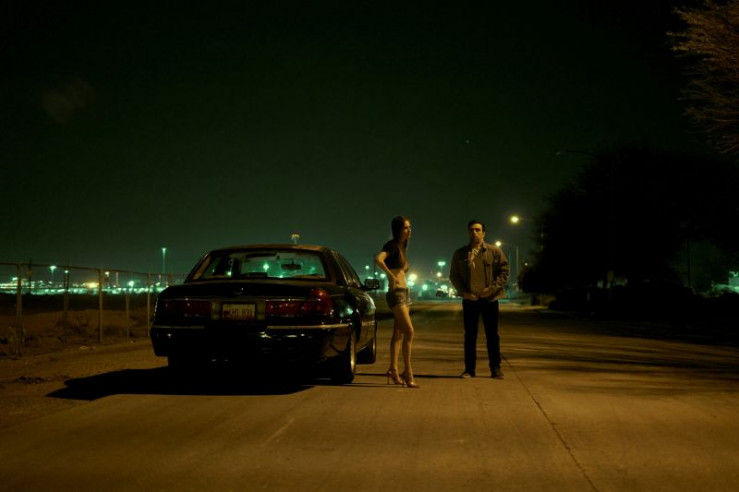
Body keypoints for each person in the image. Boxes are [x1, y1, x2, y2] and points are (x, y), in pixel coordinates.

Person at [449, 220, 509, 379]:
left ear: (483, 233)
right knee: (470, 335)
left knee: (492, 335)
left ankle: (495, 368)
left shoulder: (494, 251)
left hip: (490, 299)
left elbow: (504, 272)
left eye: (477, 230)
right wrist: (464, 293)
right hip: (470, 299)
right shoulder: (460, 253)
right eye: (471, 230)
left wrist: (492, 289)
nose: (474, 233)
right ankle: (469, 370)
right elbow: (454, 276)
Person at [374, 216, 419, 388]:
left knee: (399, 333)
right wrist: (391, 276)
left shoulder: (402, 247)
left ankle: (393, 369)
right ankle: (408, 372)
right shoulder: (392, 245)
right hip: (396, 294)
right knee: (409, 331)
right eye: (406, 227)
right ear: (398, 229)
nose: (409, 230)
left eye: (410, 227)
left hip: (404, 293)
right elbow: (378, 259)